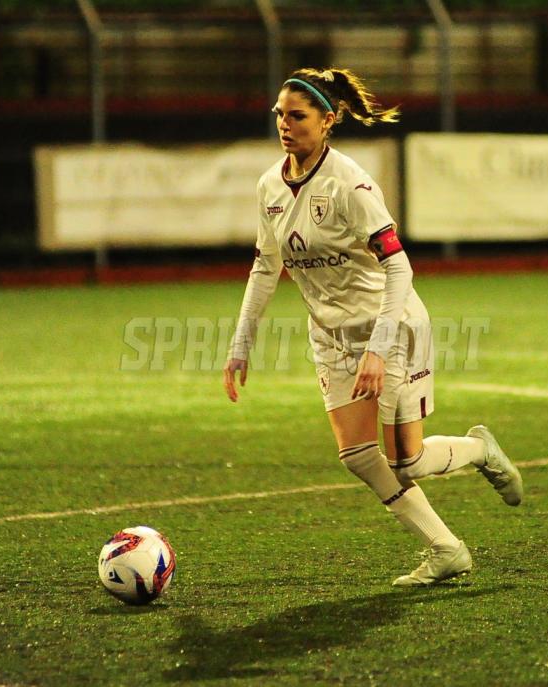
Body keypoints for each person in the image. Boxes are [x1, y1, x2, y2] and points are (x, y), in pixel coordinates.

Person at [223, 68, 523, 586]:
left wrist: (379, 350)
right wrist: (240, 343)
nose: (285, 125)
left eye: (297, 116)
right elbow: (265, 266)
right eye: (280, 115)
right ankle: (447, 549)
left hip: (392, 327)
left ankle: (480, 450)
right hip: (331, 337)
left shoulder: (351, 184)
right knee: (359, 455)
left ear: (327, 120)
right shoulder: (269, 186)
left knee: (407, 462)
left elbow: (399, 268)